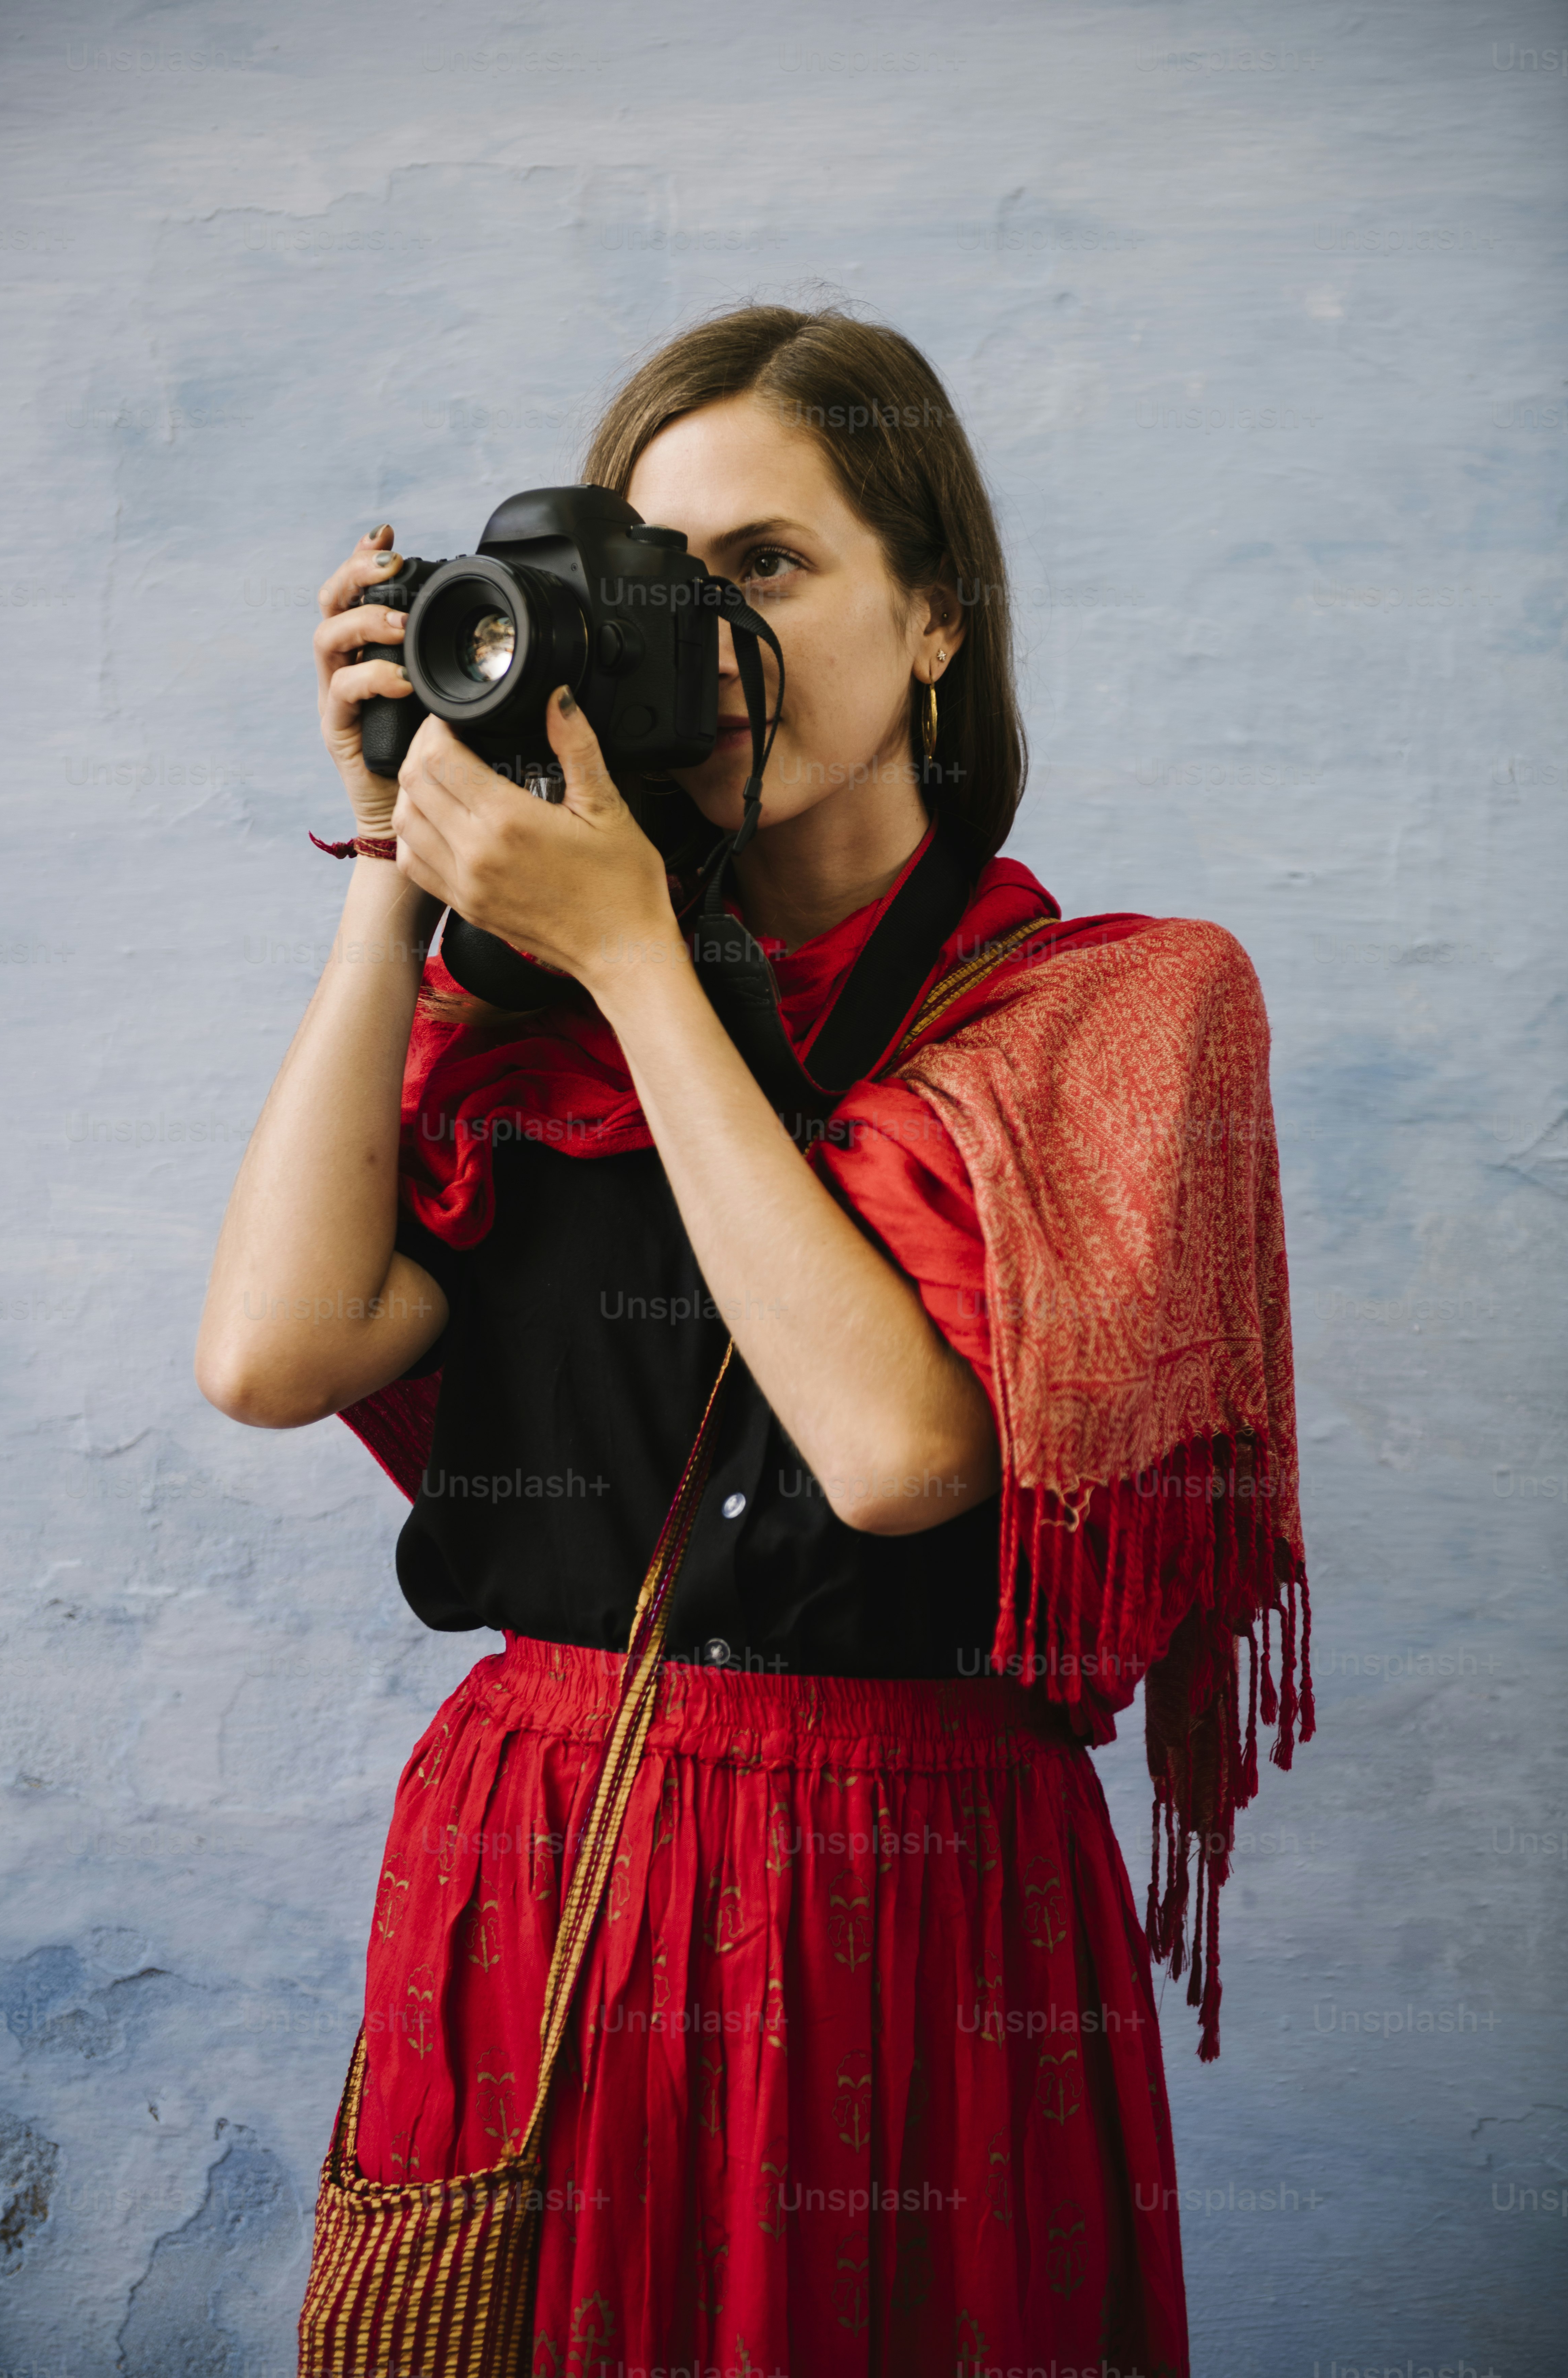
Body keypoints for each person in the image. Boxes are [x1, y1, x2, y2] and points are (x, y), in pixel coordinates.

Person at [196, 305, 1310, 2378]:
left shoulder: (1117, 1013)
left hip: (915, 1912)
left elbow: (897, 1453)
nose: (709, 645)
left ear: (939, 617)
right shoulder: (538, 1027)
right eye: (660, 579)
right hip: (539, 1867)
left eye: (769, 572)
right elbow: (273, 1348)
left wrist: (630, 950)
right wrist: (395, 851)